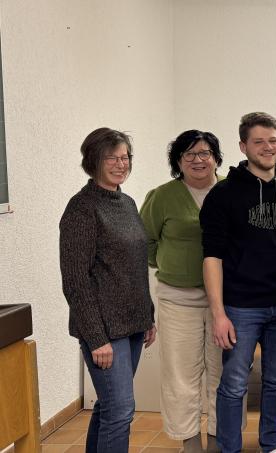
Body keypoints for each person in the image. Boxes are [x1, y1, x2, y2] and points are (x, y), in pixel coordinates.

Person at [200, 112, 276, 453]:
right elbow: (212, 257)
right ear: (243, 146)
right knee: (233, 384)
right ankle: (229, 448)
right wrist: (218, 313)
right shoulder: (223, 195)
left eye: (272, 140)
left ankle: (272, 444)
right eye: (258, 142)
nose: (267, 147)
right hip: (241, 307)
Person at [60, 127, 157, 453]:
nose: (120, 164)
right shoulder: (82, 209)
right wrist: (96, 337)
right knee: (120, 411)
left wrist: (148, 317)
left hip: (132, 326)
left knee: (108, 407)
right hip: (104, 329)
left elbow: (132, 266)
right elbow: (75, 280)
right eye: (111, 157)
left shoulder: (126, 202)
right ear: (93, 161)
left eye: (125, 157)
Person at [139, 130, 224, 453]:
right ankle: (190, 442)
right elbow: (145, 242)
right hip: (178, 300)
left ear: (216, 157)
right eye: (189, 155)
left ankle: (219, 438)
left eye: (204, 153)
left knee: (224, 374)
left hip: (227, 301)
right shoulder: (162, 196)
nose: (198, 160)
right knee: (181, 376)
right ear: (178, 161)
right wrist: (172, 263)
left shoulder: (230, 189)